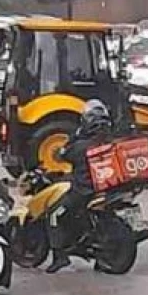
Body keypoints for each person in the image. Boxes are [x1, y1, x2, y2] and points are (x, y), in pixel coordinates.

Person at [46, 100, 111, 273]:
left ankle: (60, 257)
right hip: (107, 187)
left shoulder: (79, 146)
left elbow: (62, 154)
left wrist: (76, 134)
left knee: (53, 214)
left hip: (84, 191)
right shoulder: (110, 143)